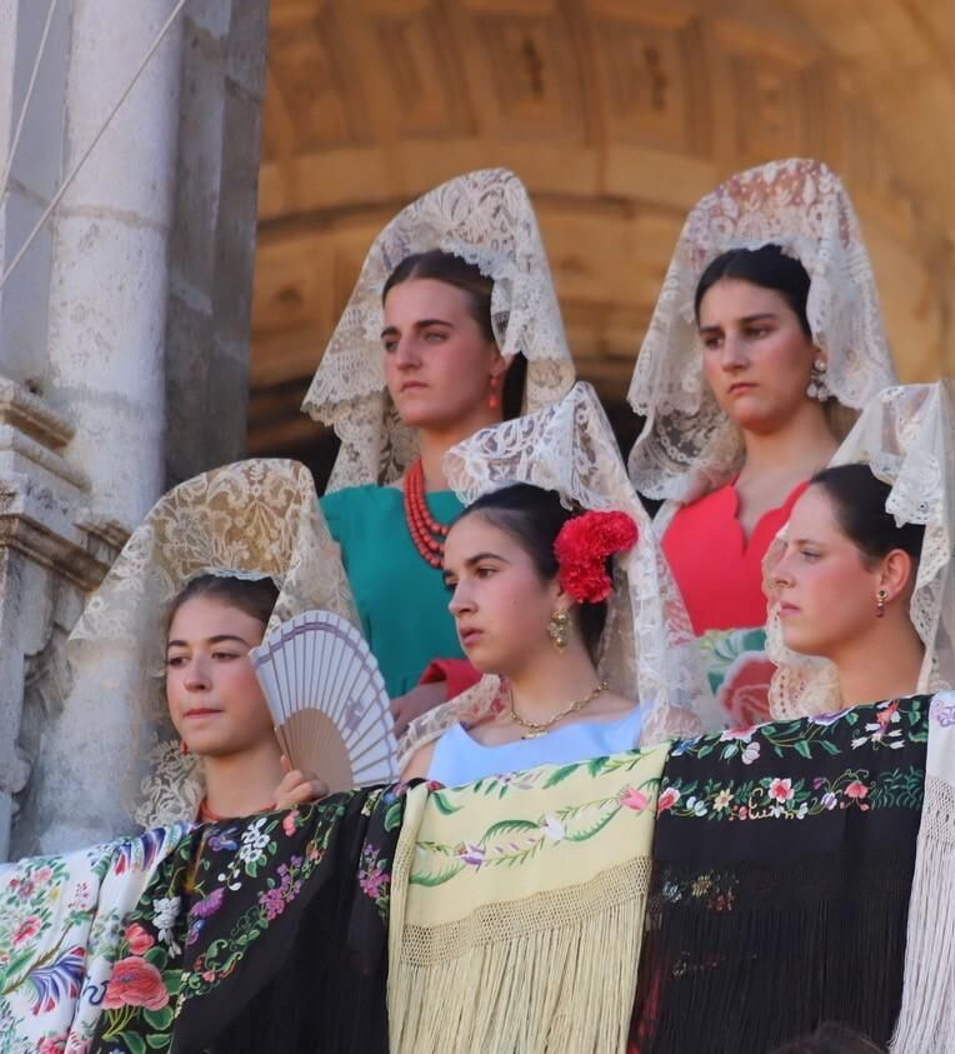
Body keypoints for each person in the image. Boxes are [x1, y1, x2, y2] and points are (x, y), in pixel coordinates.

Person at [628, 159, 898, 725]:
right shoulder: (675, 515)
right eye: (712, 339)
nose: (731, 358)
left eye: (757, 331)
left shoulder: (875, 491)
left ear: (817, 340)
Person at [302, 168, 575, 702]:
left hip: (516, 773)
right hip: (376, 781)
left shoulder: (559, 511)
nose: (404, 359)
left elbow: (599, 663)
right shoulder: (345, 519)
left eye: (433, 335)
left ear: (499, 352)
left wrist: (456, 691)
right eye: (390, 340)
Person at [397, 383, 709, 780]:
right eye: (452, 582)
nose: (457, 602)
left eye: (485, 571)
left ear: (562, 587)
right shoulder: (432, 764)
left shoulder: (653, 739)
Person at [66, 460, 361, 827]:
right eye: (177, 659)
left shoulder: (340, 830)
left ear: (288, 669)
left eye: (223, 654)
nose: (194, 679)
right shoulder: (151, 856)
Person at [765, 383, 955, 716]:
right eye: (786, 550)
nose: (778, 575)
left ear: (890, 574)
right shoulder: (787, 751)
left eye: (809, 554)